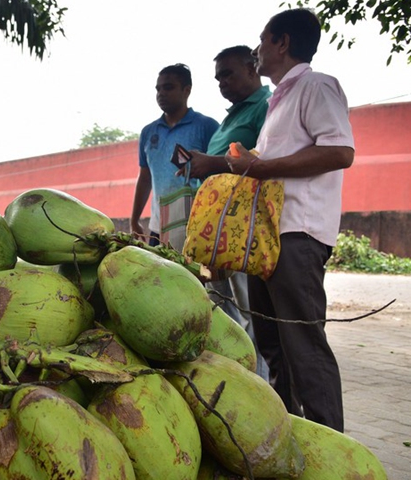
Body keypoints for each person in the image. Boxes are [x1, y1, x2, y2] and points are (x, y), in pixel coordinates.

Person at [227, 8, 355, 432]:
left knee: (303, 346)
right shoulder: (279, 99)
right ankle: (292, 436)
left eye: (261, 41)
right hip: (270, 240)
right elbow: (268, 164)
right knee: (274, 346)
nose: (256, 51)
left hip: (298, 235)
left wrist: (261, 167)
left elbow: (340, 152)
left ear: (282, 43)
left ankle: (332, 448)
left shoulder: (316, 86)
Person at [180, 45, 272, 380]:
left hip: (243, 227)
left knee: (249, 312)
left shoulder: (265, 106)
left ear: (252, 68)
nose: (222, 83)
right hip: (216, 228)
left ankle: (259, 384)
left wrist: (212, 162)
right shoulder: (232, 116)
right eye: (218, 78)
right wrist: (200, 165)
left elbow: (263, 160)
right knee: (222, 309)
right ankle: (235, 377)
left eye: (228, 74)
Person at [130, 64, 219, 247]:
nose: (161, 93)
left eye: (168, 87)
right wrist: (134, 219)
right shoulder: (148, 132)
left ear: (187, 90)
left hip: (195, 227)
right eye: (158, 89)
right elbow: (145, 178)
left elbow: (220, 174)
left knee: (194, 276)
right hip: (158, 227)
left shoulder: (206, 126)